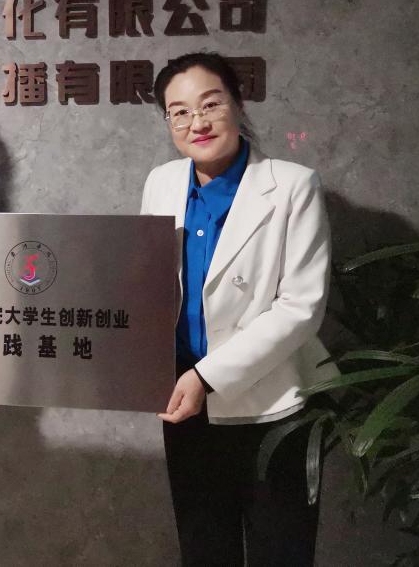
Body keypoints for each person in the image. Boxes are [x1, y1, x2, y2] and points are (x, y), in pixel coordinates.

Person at [140, 52, 338, 566]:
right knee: (203, 549)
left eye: (211, 104)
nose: (197, 122)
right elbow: (149, 287)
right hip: (184, 406)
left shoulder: (293, 185)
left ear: (237, 103)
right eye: (179, 112)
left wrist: (207, 377)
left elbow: (300, 307)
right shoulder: (161, 182)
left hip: (275, 408)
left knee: (282, 551)